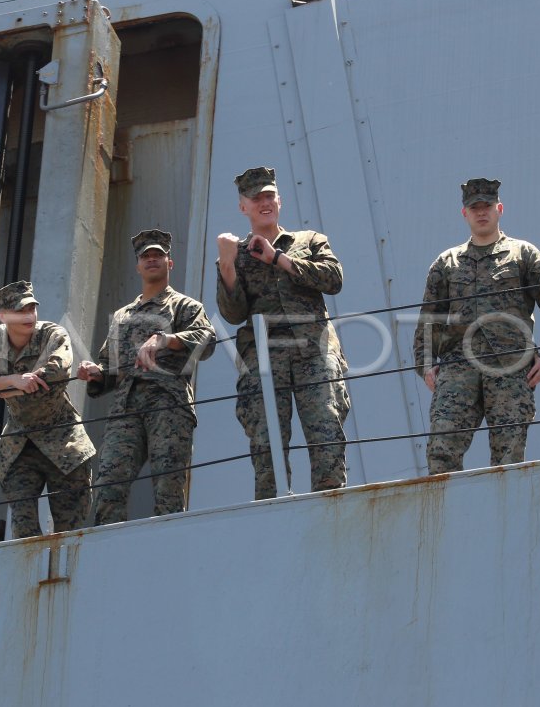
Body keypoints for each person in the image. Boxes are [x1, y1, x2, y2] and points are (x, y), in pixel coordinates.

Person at [413, 178, 540, 474]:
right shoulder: (446, 263)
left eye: (487, 206)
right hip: (458, 366)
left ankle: (506, 517)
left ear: (499, 209)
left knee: (507, 458)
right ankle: (447, 518)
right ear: (465, 214)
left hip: (511, 366)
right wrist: (425, 363)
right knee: (441, 449)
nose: (481, 212)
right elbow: (428, 319)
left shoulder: (525, 255)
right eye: (474, 207)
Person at [216, 166, 350, 500]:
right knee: (266, 442)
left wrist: (280, 259)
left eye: (269, 196)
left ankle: (331, 506)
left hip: (314, 351)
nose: (264, 202)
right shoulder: (236, 255)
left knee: (326, 430)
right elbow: (233, 314)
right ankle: (272, 510)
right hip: (263, 357)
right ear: (242, 207)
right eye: (255, 197)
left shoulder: (310, 241)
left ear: (280, 200)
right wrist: (228, 266)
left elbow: (333, 280)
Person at [77, 229, 217, 524]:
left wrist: (165, 339)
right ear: (138, 266)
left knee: (168, 488)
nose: (152, 260)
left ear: (170, 263)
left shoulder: (185, 307)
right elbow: (110, 368)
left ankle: (168, 550)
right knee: (108, 484)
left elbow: (206, 338)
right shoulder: (122, 316)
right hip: (125, 410)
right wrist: (95, 375)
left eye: (158, 255)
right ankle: (108, 551)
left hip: (167, 405)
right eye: (146, 256)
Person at [0, 280, 94, 538]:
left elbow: (57, 370)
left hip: (64, 442)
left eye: (31, 309)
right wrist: (12, 381)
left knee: (71, 531)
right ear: (3, 316)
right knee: (24, 531)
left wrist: (1, 388)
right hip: (20, 444)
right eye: (20, 311)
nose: (29, 316)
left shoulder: (52, 334)